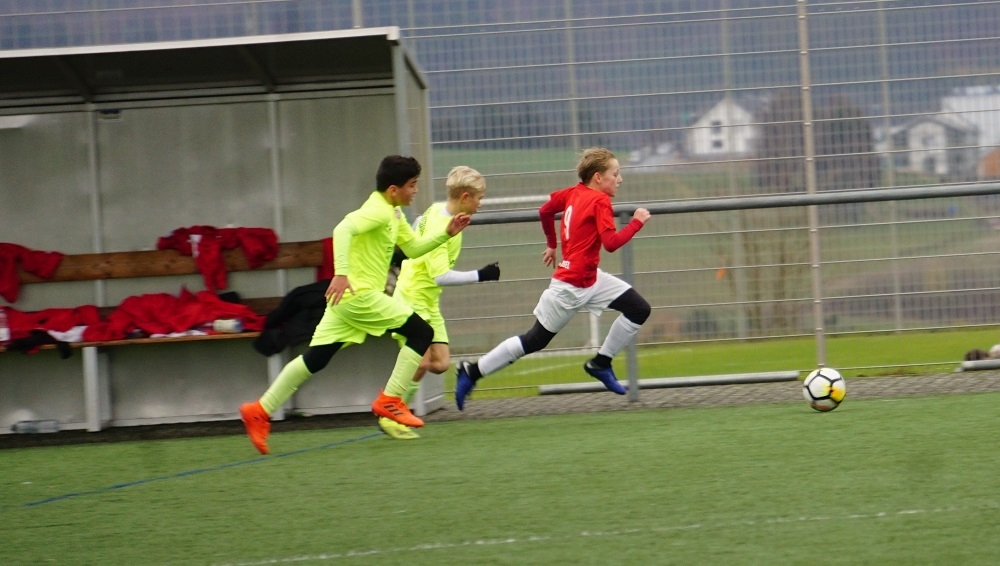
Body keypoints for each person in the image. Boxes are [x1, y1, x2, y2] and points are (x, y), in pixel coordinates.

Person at [239, 155, 470, 454]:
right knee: (421, 332)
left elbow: (413, 249)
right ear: (393, 190)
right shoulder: (377, 211)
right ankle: (391, 400)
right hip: (361, 298)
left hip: (346, 303)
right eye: (412, 185)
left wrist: (445, 234)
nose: (415, 191)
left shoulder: (393, 213)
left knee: (316, 359)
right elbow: (342, 230)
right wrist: (341, 274)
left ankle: (259, 410)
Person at [454, 147, 651, 410]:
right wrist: (637, 222)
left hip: (590, 279)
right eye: (616, 174)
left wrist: (551, 244)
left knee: (639, 309)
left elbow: (545, 211)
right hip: (570, 286)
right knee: (534, 340)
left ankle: (601, 363)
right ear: (598, 177)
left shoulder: (572, 193)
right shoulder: (599, 200)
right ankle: (472, 371)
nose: (620, 179)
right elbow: (611, 243)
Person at [379, 165, 500, 439]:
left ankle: (393, 402)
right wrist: (481, 275)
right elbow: (440, 276)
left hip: (428, 301)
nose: (480, 204)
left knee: (441, 363)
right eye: (479, 198)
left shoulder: (436, 210)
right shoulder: (440, 224)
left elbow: (414, 229)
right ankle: (390, 410)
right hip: (412, 297)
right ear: (465, 197)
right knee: (421, 362)